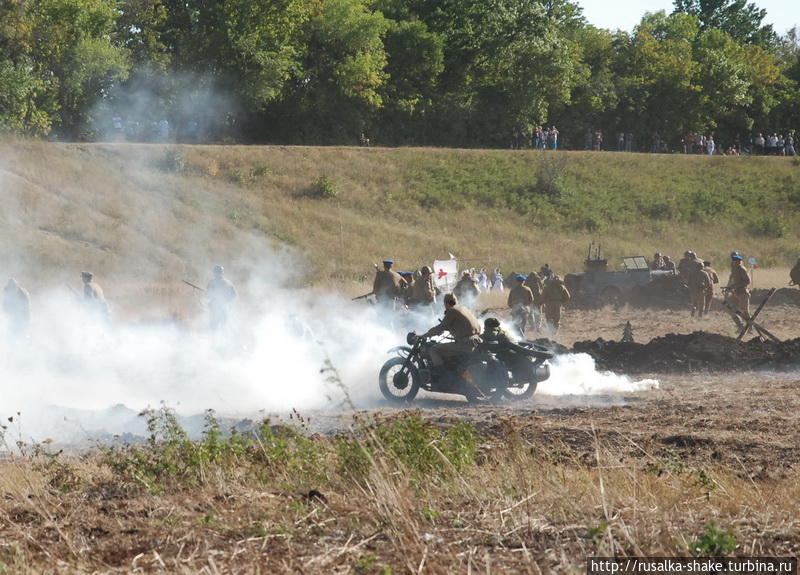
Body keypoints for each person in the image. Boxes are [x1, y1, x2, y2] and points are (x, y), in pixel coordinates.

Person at [418, 293, 482, 373]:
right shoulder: (463, 308)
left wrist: (424, 335)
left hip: (464, 344)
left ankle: (441, 376)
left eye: (444, 304)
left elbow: (441, 327)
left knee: (434, 349)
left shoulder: (452, 311)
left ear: (446, 303)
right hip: (476, 341)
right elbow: (461, 326)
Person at [724, 253, 751, 328]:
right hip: (735, 293)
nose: (734, 262)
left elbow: (747, 281)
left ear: (739, 262)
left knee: (745, 311)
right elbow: (731, 280)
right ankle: (740, 326)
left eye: (736, 261)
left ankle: (749, 327)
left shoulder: (742, 269)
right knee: (729, 309)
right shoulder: (734, 270)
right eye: (733, 261)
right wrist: (728, 287)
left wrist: (735, 286)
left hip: (743, 293)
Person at [206, 265, 237, 330]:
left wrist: (225, 300)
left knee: (220, 327)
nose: (216, 274)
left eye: (218, 272)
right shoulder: (212, 282)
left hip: (223, 308)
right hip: (216, 308)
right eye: (216, 272)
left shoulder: (226, 283)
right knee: (215, 327)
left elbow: (234, 295)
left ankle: (219, 339)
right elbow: (208, 295)